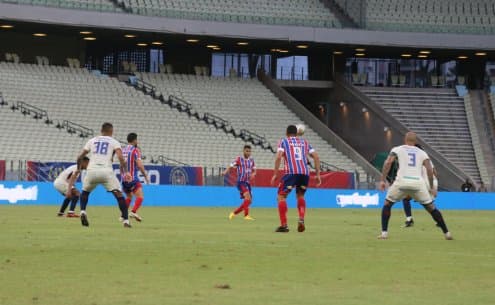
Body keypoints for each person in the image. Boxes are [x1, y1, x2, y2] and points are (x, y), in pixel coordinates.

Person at [378, 132, 452, 240]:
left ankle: (384, 233)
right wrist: (431, 187)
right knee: (431, 208)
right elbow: (430, 170)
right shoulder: (422, 153)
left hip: (401, 182)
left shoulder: (398, 149)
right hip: (418, 183)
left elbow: (388, 162)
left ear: (405, 140)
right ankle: (447, 233)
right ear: (415, 141)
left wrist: (382, 180)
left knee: (387, 204)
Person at [69, 122, 131, 228]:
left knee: (85, 192)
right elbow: (121, 158)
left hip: (91, 171)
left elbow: (80, 157)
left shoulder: (92, 140)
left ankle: (83, 211)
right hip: (106, 171)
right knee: (118, 195)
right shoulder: (114, 142)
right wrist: (126, 171)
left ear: (101, 130)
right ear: (111, 131)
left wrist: (79, 169)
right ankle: (126, 221)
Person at [271, 125, 321, 233]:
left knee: (281, 196)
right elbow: (316, 157)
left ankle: (284, 225)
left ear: (286, 133)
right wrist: (318, 174)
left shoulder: (283, 142)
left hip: (291, 173)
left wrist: (275, 173)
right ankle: (301, 219)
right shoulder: (305, 143)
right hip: (304, 173)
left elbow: (279, 156)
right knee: (300, 195)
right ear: (296, 133)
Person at [223, 145, 256, 221]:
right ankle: (234, 213)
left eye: (249, 151)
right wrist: (225, 172)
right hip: (241, 182)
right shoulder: (239, 159)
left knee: (249, 201)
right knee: (248, 198)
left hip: (247, 182)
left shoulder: (251, 161)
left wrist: (253, 174)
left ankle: (246, 215)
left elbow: (254, 170)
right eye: (247, 151)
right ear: (243, 151)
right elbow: (231, 166)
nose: (248, 153)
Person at [121, 132, 150, 222]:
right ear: (134, 140)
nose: (137, 141)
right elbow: (140, 165)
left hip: (124, 179)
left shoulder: (123, 150)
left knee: (129, 197)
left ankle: (123, 215)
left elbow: (120, 165)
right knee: (140, 196)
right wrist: (145, 176)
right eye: (137, 140)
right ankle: (133, 212)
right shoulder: (135, 150)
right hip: (132, 178)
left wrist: (123, 175)